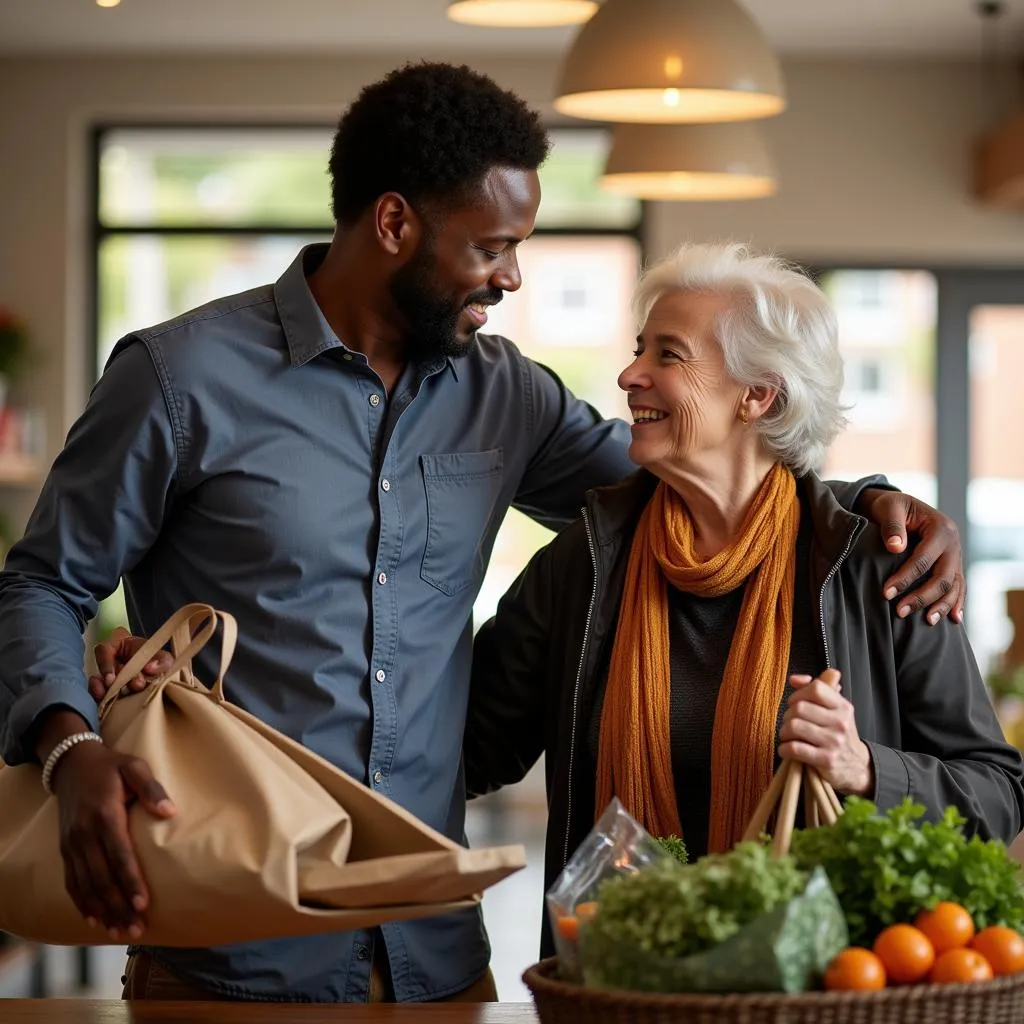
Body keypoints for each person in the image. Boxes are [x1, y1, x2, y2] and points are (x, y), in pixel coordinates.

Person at [0, 63, 962, 1004]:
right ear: (394, 223)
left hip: (433, 953)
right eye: (492, 247)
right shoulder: (179, 377)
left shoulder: (510, 398)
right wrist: (69, 749)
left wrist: (870, 503)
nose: (510, 276)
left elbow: (715, 480)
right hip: (233, 945)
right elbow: (41, 583)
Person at [464, 243, 1024, 959]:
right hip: (623, 985)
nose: (630, 374)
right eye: (640, 350)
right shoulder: (585, 562)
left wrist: (865, 769)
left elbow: (997, 794)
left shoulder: (876, 567)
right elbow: (469, 747)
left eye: (668, 356)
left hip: (826, 991)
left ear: (757, 395)